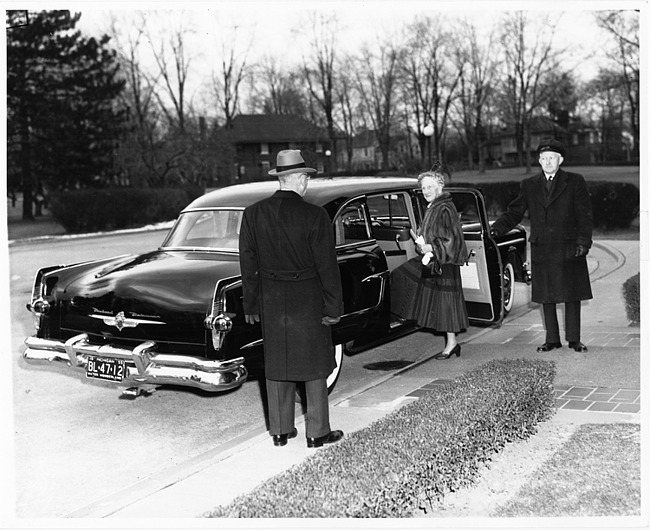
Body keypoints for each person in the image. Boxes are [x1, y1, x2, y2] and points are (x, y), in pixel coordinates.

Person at [239, 149, 345, 448]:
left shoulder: (253, 213)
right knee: (314, 363)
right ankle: (317, 432)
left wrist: (250, 303)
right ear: (298, 179)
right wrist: (334, 306)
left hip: (271, 299)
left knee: (277, 362)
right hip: (307, 298)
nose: (307, 183)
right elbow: (327, 265)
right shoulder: (315, 215)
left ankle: (281, 430)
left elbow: (247, 263)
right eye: (306, 178)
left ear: (280, 178)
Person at [491, 138, 593, 352]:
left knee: (571, 294)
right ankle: (552, 340)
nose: (548, 162)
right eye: (544, 158)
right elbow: (514, 212)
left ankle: (574, 339)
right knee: (547, 295)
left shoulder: (575, 181)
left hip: (568, 247)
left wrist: (583, 242)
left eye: (552, 158)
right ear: (539, 160)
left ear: (560, 160)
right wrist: (495, 229)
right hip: (542, 248)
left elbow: (585, 215)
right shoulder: (529, 185)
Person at [390, 170, 469, 359]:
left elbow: (452, 238)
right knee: (407, 278)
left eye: (430, 187)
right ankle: (449, 342)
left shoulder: (444, 208)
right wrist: (422, 241)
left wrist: (430, 247)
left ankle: (451, 344)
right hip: (436, 259)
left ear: (439, 187)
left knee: (445, 302)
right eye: (423, 187)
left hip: (444, 262)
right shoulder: (435, 205)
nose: (426, 191)